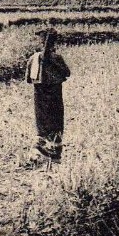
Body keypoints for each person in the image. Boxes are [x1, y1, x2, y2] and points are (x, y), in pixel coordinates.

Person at [25, 29, 70, 164]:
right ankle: (53, 154)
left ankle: (42, 152)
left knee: (42, 123)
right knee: (55, 122)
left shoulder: (33, 59)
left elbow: (28, 79)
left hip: (39, 94)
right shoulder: (56, 58)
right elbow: (66, 72)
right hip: (55, 94)